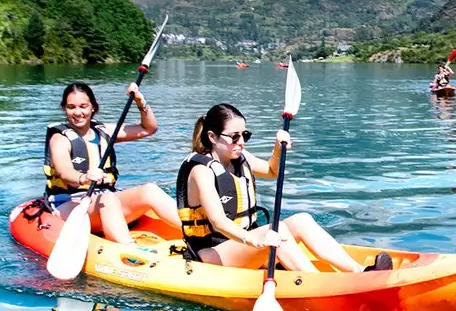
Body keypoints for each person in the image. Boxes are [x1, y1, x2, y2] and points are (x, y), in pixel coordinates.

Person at [174, 102, 391, 273]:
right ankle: (317, 284)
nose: (241, 142)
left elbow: (271, 170)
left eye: (245, 135)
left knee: (301, 220)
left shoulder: (240, 158)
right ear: (212, 136)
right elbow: (218, 222)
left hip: (240, 244)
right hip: (210, 254)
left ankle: (360, 271)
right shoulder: (201, 170)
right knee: (277, 232)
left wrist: (278, 148)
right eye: (234, 137)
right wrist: (254, 239)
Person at [44, 81, 181, 246]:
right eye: (71, 107)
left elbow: (148, 128)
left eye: (83, 106)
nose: (78, 112)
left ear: (93, 107)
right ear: (64, 109)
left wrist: (139, 101)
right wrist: (84, 177)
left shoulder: (104, 132)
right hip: (70, 204)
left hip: (104, 201)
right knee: (107, 198)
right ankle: (129, 250)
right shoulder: (59, 139)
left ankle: (200, 233)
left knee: (149, 190)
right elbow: (65, 172)